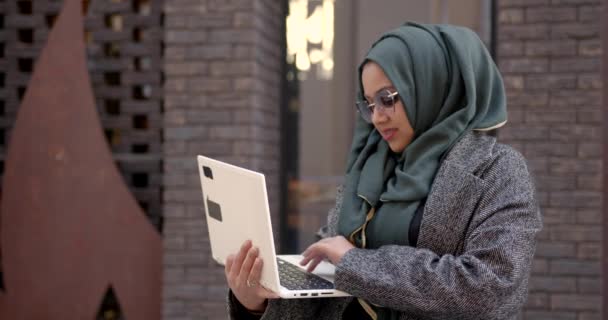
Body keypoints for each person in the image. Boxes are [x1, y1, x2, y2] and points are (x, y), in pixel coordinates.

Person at [224, 22, 542, 320]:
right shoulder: (369, 169)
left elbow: (492, 290)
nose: (377, 117)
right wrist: (257, 304)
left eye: (387, 99)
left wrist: (357, 263)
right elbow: (324, 273)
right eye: (368, 104)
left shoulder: (498, 171)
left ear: (430, 85)